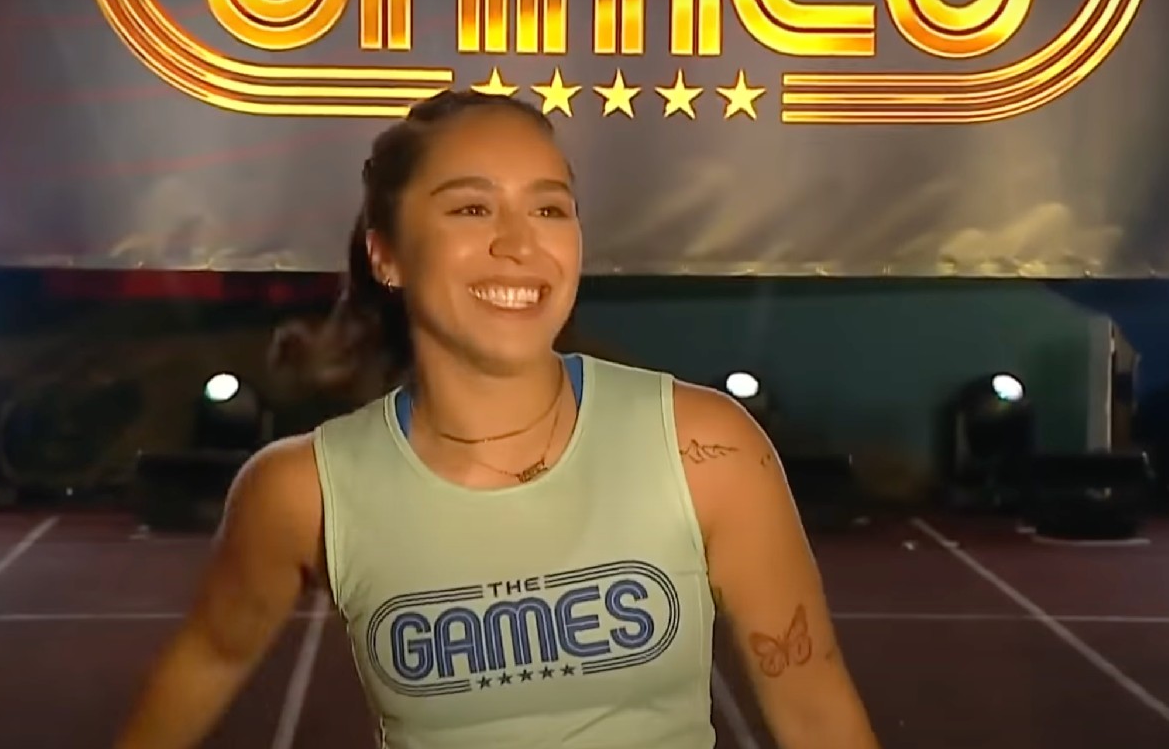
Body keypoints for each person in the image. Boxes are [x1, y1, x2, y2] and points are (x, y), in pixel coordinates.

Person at [115, 90, 879, 749]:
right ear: (387, 255)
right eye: (472, 207)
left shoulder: (707, 445)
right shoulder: (302, 491)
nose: (519, 244)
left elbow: (815, 711)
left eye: (549, 207)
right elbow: (209, 658)